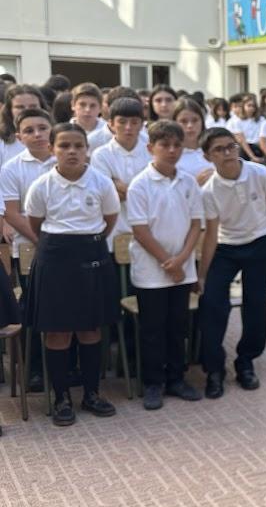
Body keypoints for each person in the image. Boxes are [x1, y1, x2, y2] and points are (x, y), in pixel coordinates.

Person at [23, 123, 121, 426]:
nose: (72, 151)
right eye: (64, 145)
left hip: (91, 253)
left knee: (91, 329)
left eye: (78, 145)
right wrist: (61, 245)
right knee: (58, 331)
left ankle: (91, 393)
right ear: (52, 149)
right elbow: (35, 223)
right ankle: (61, 396)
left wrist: (86, 242)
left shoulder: (102, 183)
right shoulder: (42, 186)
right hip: (54, 257)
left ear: (87, 149)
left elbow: (110, 219)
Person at [197, 128, 266, 398]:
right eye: (219, 149)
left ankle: (246, 361)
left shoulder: (259, 173)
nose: (228, 153)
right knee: (212, 304)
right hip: (226, 249)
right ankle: (214, 369)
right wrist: (203, 275)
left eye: (231, 146)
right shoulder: (209, 190)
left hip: (260, 243)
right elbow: (211, 234)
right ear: (207, 156)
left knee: (255, 304)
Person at [126, 120, 204, 410]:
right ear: (151, 148)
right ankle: (153, 383)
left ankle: (176, 378)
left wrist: (182, 259)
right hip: (151, 271)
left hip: (182, 269)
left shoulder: (188, 182)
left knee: (177, 326)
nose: (172, 151)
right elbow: (140, 230)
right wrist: (166, 261)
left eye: (177, 145)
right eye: (165, 145)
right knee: (153, 328)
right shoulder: (140, 184)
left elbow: (197, 223)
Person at [1, 107, 56, 392]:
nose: (37, 134)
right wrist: (42, 238)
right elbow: (11, 213)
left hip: (63, 248)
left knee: (64, 308)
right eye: (29, 130)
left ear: (52, 130)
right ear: (20, 137)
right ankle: (34, 369)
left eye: (42, 128)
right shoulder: (11, 168)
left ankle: (68, 366)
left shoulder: (65, 160)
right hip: (29, 249)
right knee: (33, 310)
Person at [90, 97, 153, 252]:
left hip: (150, 228)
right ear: (111, 123)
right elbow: (106, 197)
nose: (128, 127)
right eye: (122, 122)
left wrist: (120, 186)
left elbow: (156, 193)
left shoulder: (151, 150)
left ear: (142, 124)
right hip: (114, 231)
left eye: (134, 122)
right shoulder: (101, 155)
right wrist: (141, 191)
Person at [0, 83, 44, 166]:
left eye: (33, 106)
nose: (27, 111)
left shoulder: (56, 135)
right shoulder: (2, 141)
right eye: (20, 107)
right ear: (9, 110)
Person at [172, 97, 213, 184]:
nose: (190, 126)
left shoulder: (213, 148)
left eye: (195, 120)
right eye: (183, 121)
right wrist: (195, 184)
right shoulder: (171, 155)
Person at [69, 82, 106, 150]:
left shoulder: (108, 133)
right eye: (82, 105)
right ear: (73, 105)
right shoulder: (63, 132)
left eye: (93, 106)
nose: (87, 110)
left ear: (100, 108)